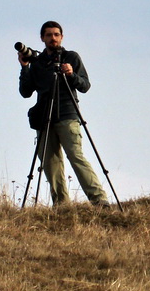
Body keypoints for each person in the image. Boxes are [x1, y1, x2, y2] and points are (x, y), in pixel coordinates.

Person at [18, 21, 110, 207]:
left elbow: (85, 86)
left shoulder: (71, 57)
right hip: (44, 117)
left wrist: (71, 74)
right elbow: (26, 92)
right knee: (51, 163)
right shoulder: (38, 63)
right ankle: (62, 205)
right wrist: (25, 67)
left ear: (61, 37)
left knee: (76, 156)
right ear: (42, 38)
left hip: (67, 114)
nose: (53, 38)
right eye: (49, 35)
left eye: (56, 34)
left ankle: (99, 200)